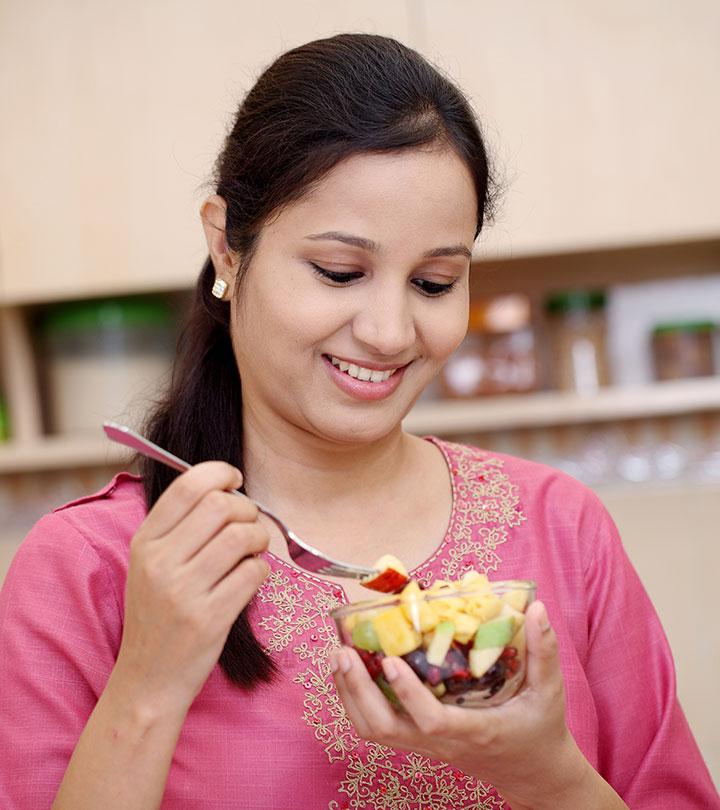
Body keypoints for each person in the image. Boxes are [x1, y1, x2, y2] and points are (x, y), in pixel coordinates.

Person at [0, 33, 717, 810]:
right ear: (226, 247)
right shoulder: (86, 568)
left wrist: (543, 771)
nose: (389, 331)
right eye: (340, 272)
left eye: (435, 282)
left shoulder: (563, 529)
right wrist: (148, 682)